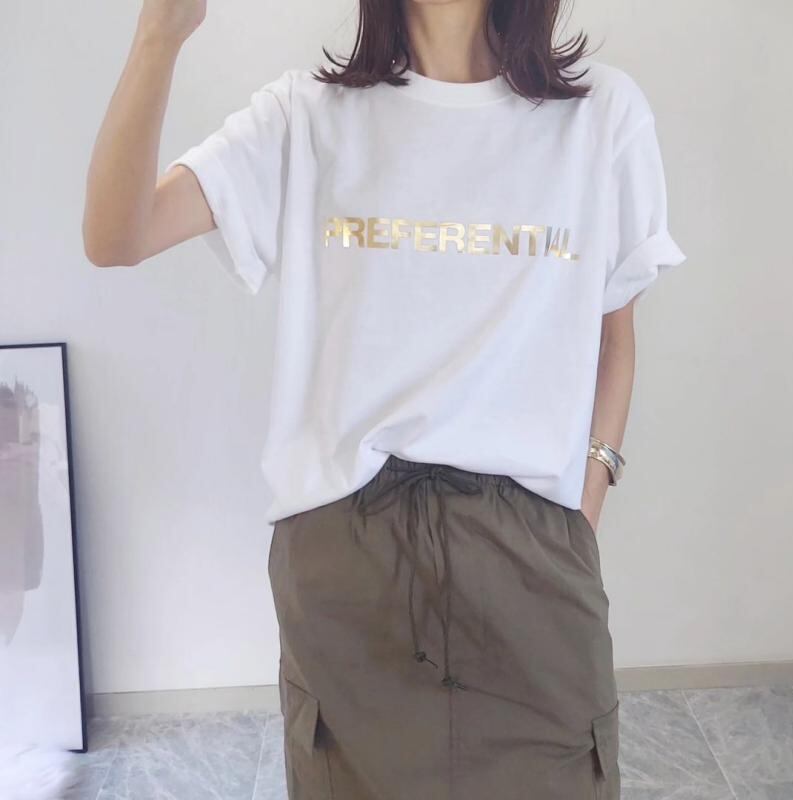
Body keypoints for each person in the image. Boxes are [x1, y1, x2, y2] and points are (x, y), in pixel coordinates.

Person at [83, 0, 687, 797]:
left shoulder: (602, 116)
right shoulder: (307, 115)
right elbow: (116, 236)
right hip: (348, 557)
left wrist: (584, 505)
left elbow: (616, 337)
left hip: (533, 556)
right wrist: (159, 34)